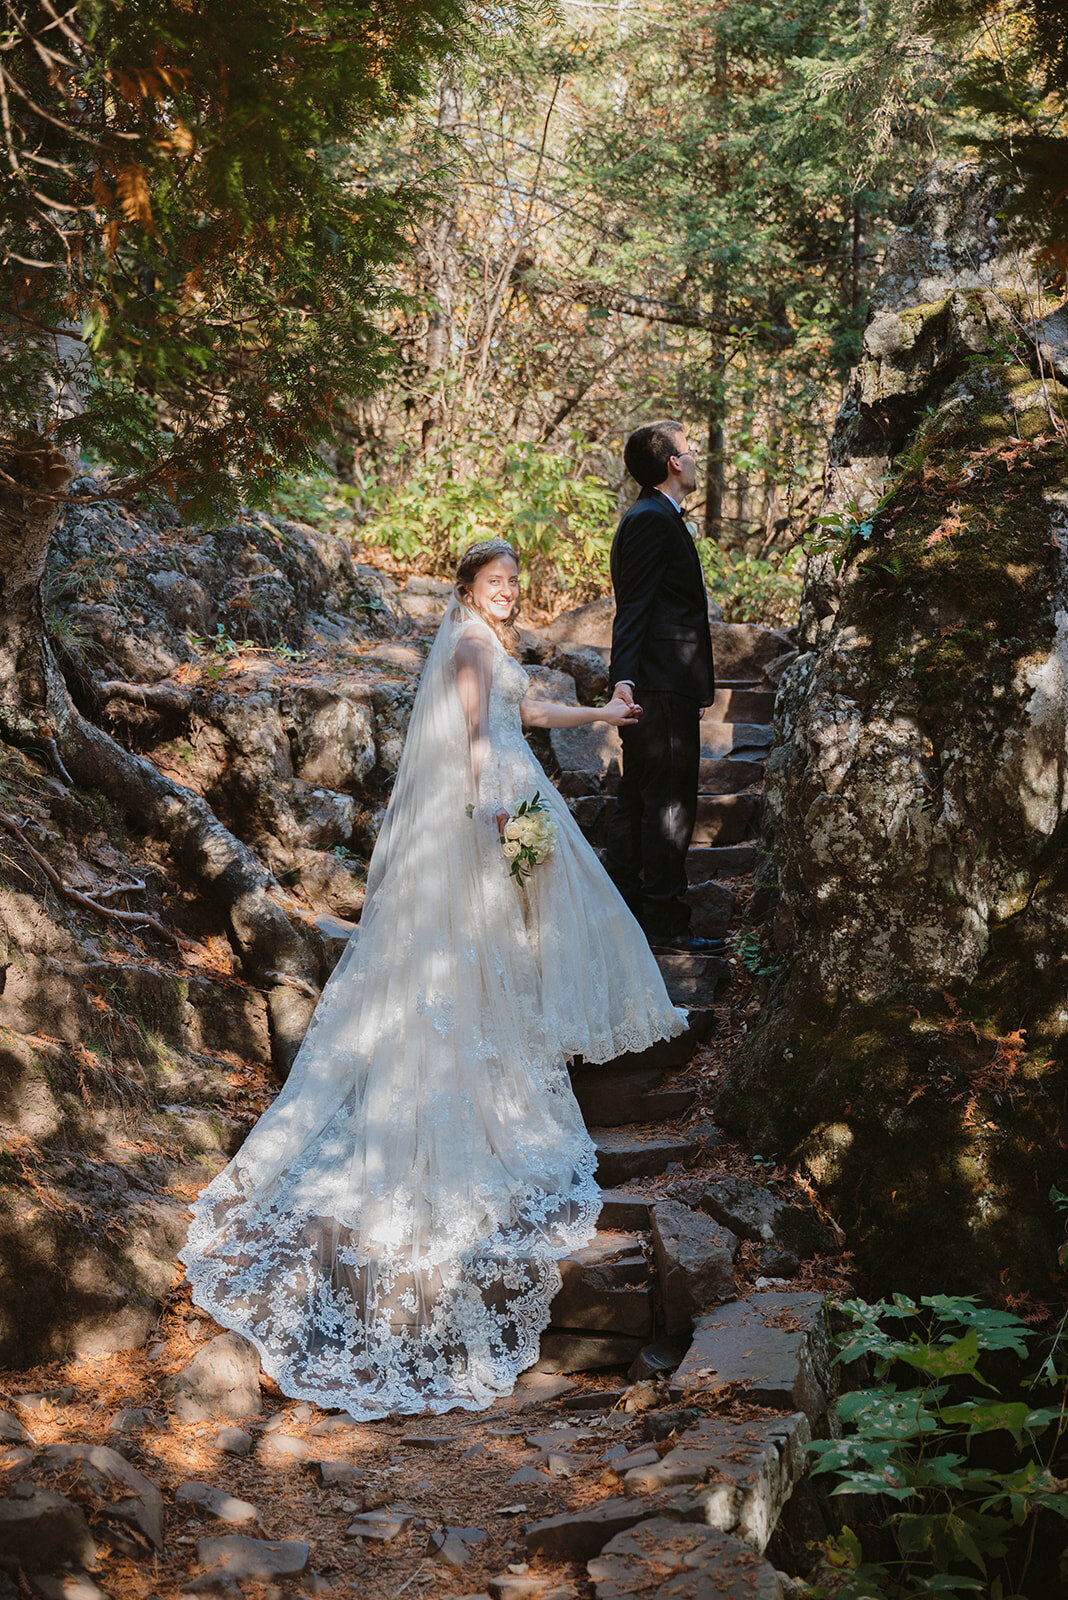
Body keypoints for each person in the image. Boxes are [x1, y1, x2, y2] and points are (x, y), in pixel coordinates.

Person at [180, 539, 687, 1420]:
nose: (508, 593)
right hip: (489, 804)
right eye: (495, 583)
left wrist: (603, 715)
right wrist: (497, 810)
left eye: (515, 584)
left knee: (528, 927)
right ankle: (498, 1051)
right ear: (467, 589)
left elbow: (520, 720)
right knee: (495, 930)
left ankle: (528, 1030)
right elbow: (469, 738)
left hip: (514, 787)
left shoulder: (499, 648)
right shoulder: (463, 646)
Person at [605, 419, 719, 952]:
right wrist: (624, 681)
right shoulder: (651, 519)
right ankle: (665, 923)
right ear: (674, 462)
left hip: (666, 682)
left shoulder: (656, 516)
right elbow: (635, 608)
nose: (696, 457)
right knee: (669, 803)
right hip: (657, 684)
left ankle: (629, 912)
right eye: (690, 449)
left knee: (644, 797)